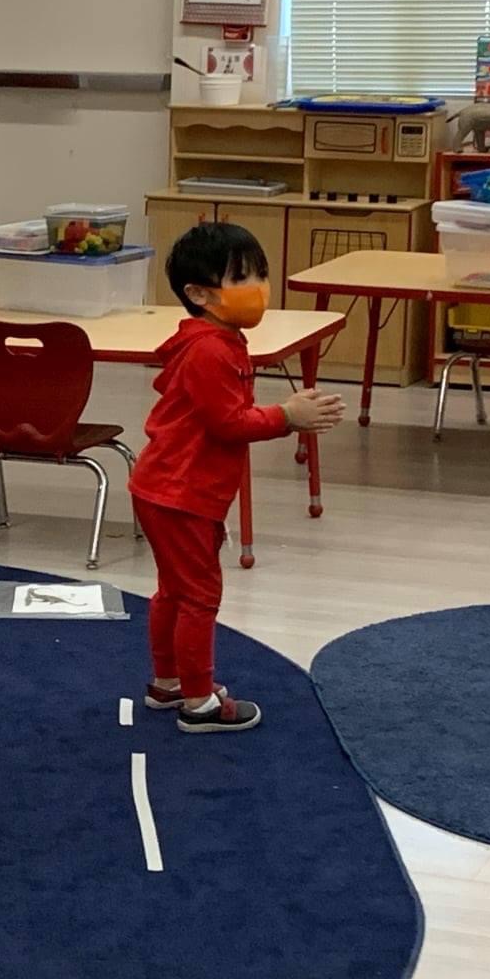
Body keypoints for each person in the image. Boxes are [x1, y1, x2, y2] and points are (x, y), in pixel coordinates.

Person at [127, 223, 345, 734]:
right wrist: (287, 415)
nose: (259, 288)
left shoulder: (215, 341)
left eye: (260, 274)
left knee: (174, 593)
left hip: (169, 489)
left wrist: (285, 413)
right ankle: (198, 702)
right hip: (181, 494)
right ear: (198, 294)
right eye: (242, 277)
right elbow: (228, 423)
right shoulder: (212, 350)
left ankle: (169, 683)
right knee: (198, 597)